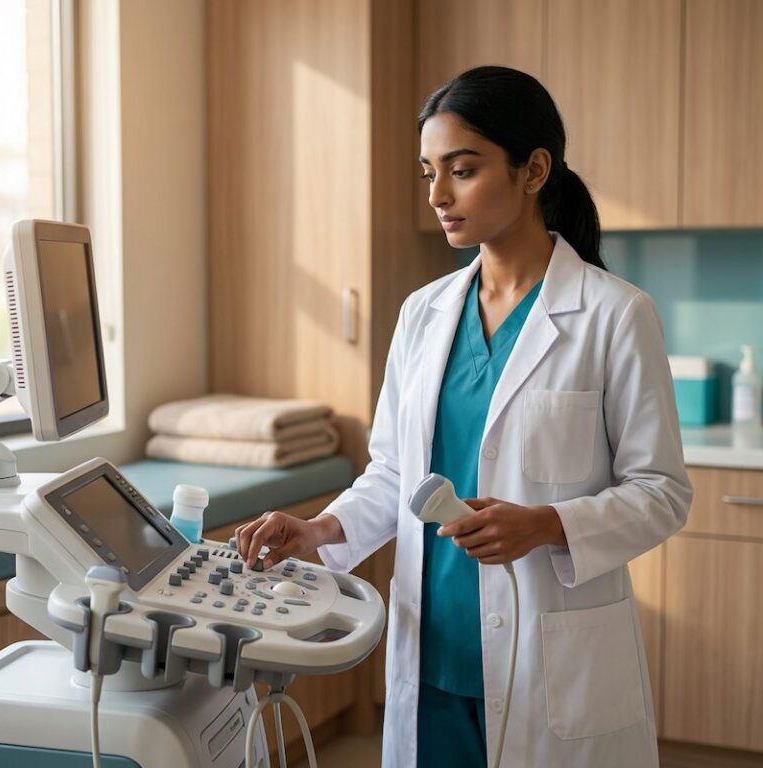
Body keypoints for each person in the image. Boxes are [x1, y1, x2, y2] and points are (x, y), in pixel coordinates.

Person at [235, 66, 692, 768]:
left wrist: (545, 525)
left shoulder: (614, 314)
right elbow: (395, 472)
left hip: (551, 656)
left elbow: (661, 491)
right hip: (435, 650)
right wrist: (323, 528)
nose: (438, 196)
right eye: (429, 172)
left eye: (463, 169)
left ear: (533, 169)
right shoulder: (423, 313)